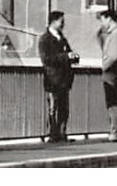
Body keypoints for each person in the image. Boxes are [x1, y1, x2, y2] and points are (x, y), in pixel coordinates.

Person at [38, 10, 78, 142]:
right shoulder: (45, 39)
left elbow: (67, 53)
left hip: (64, 79)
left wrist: (73, 57)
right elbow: (46, 59)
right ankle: (52, 133)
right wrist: (66, 57)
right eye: (61, 21)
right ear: (53, 21)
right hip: (52, 78)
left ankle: (62, 132)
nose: (63, 24)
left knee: (64, 107)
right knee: (53, 107)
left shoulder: (62, 38)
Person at [94, 9, 117, 140]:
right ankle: (115, 130)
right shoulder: (115, 33)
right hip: (113, 70)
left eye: (103, 19)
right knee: (112, 100)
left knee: (112, 101)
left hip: (111, 71)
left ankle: (114, 131)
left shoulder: (115, 34)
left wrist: (105, 65)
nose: (102, 23)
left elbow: (114, 55)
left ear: (109, 19)